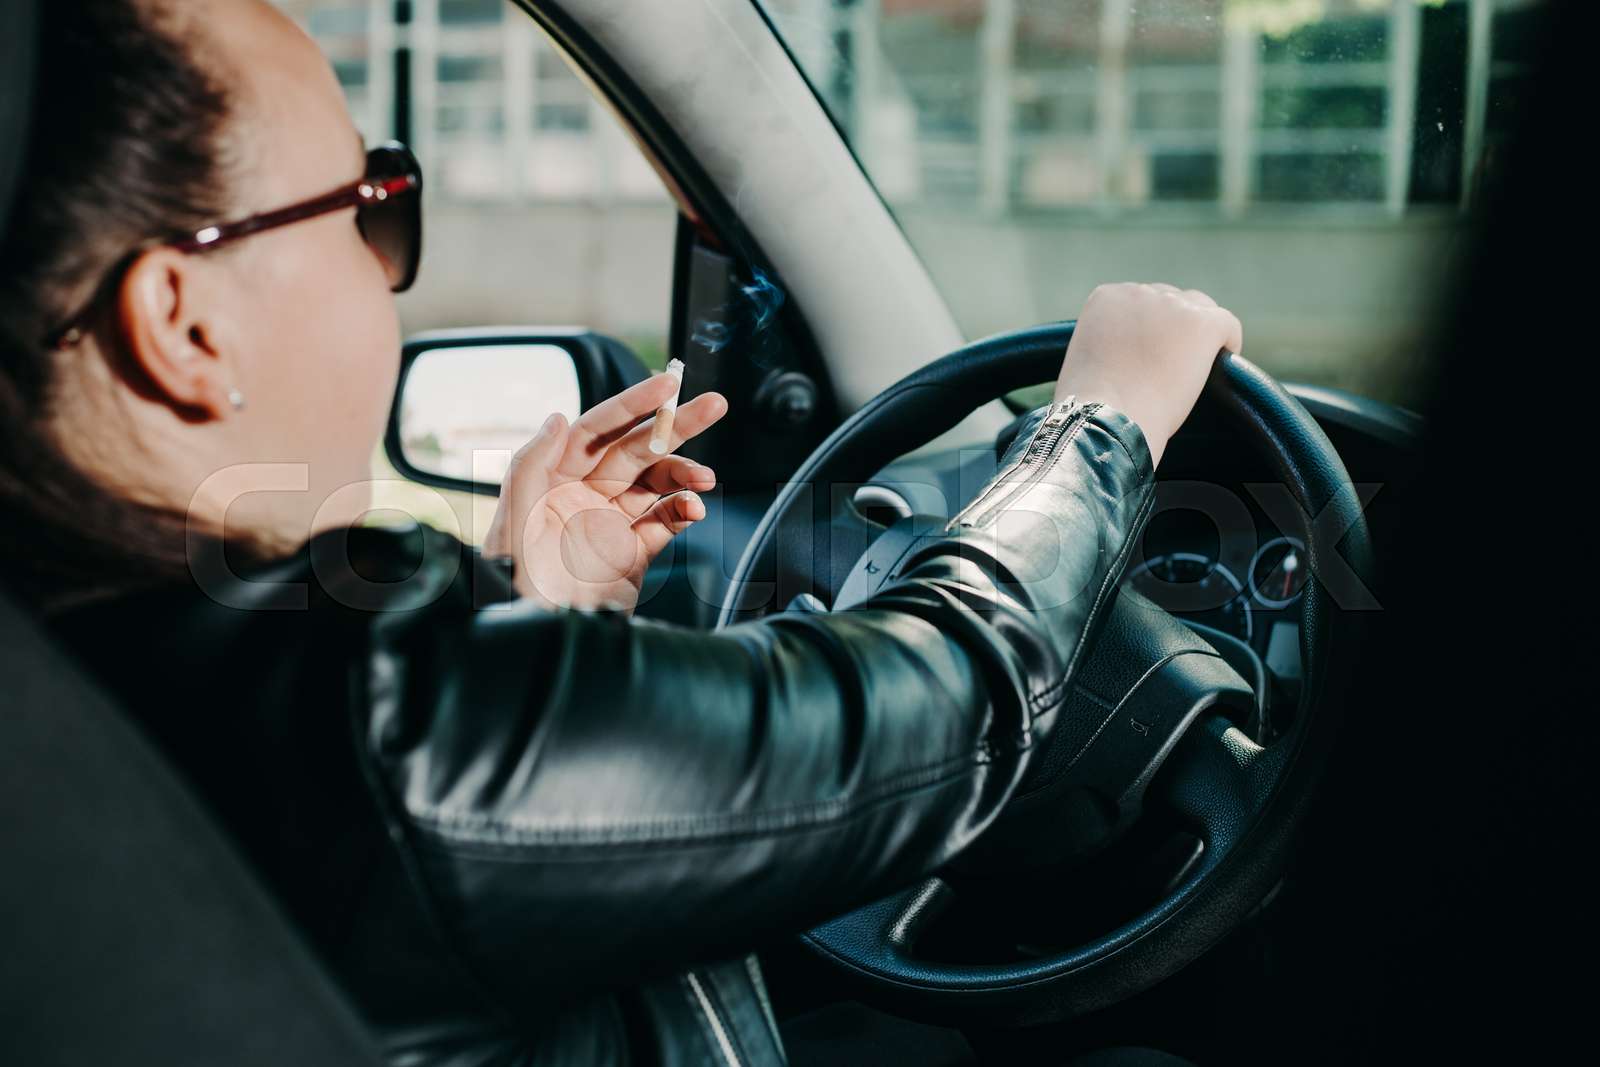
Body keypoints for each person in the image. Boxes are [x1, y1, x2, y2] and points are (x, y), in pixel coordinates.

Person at [0, 2, 1241, 1064]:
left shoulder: (85, 664)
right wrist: (1102, 419)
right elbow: (943, 710)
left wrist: (537, 621)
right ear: (184, 321)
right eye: (368, 208)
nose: (392, 265)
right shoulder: (362, 702)